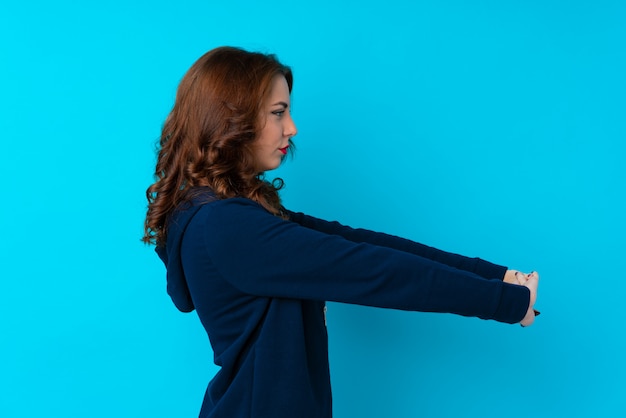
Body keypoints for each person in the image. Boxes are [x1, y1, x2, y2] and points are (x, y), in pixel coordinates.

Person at [142, 46, 539, 418]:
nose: (292, 128)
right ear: (234, 119)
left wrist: (498, 277)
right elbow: (375, 272)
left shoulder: (231, 218)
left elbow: (359, 243)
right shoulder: (227, 227)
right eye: (278, 112)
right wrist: (504, 302)